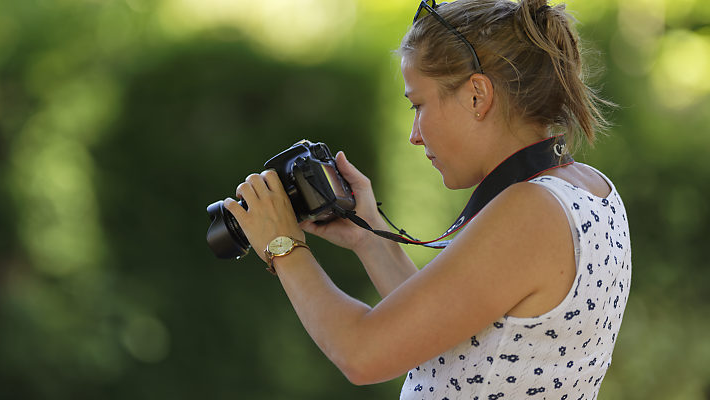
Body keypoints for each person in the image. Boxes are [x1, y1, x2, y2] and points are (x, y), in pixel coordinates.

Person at [223, 0, 631, 398]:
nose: (414, 135)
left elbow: (362, 354)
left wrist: (284, 246)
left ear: (477, 96)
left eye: (418, 104)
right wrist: (368, 235)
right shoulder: (590, 190)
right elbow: (448, 330)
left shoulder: (532, 211)